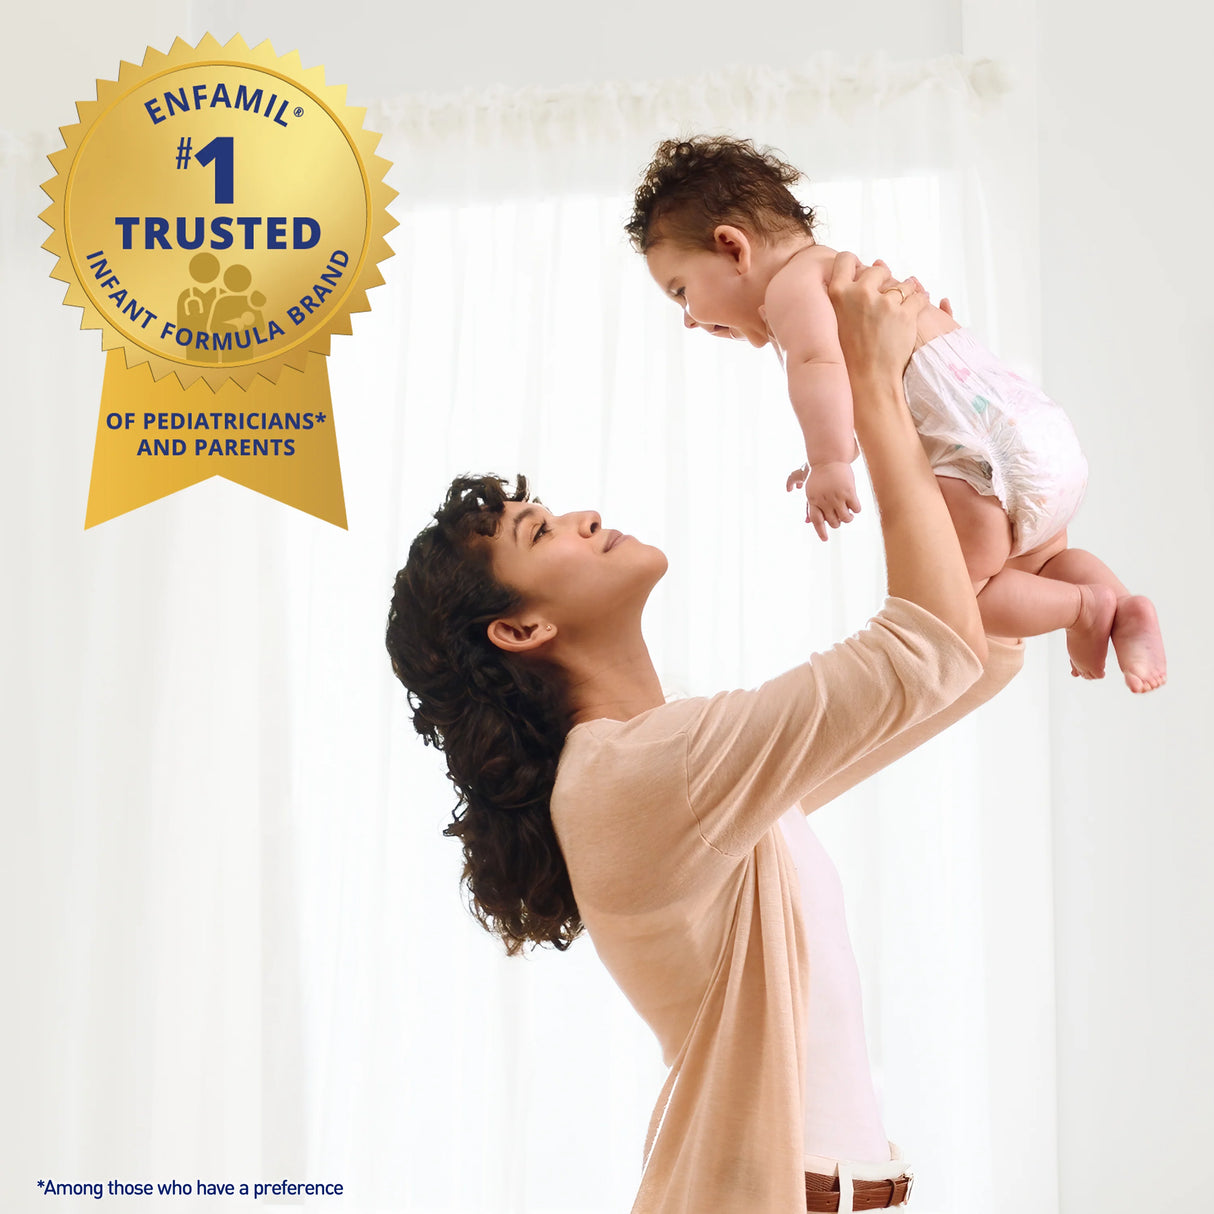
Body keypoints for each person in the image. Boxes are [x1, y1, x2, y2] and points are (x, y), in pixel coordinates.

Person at [386, 256, 1021, 1213]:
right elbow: (926, 650)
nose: (584, 514)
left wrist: (973, 435)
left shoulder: (678, 758)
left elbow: (963, 656)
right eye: (543, 530)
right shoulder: (635, 777)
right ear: (520, 631)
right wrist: (879, 395)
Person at [628, 136, 1166, 694]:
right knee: (1045, 559)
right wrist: (822, 453)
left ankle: (1084, 609)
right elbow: (853, 384)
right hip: (1039, 434)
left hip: (980, 459)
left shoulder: (792, 287)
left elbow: (815, 366)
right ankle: (1123, 609)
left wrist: (830, 459)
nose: (689, 319)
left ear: (733, 247)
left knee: (960, 596)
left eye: (682, 291)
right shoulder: (847, 275)